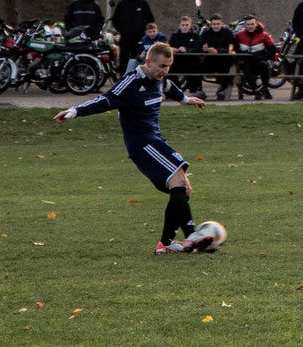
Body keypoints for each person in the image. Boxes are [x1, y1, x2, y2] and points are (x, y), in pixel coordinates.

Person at [55, 41, 215, 253]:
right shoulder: (130, 82)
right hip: (142, 143)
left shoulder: (159, 79)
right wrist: (74, 111)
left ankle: (166, 244)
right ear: (148, 62)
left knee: (183, 189)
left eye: (168, 66)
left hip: (154, 140)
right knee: (178, 176)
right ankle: (193, 237)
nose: (164, 71)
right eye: (161, 66)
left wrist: (186, 99)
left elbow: (169, 87)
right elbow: (106, 100)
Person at [112, 0, 154, 67]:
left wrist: (143, 30)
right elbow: (115, 20)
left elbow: (150, 19)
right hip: (125, 37)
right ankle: (124, 78)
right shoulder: (121, 4)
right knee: (124, 59)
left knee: (138, 58)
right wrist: (122, 30)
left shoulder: (142, 3)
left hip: (138, 37)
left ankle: (137, 78)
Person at [233, 14, 276, 100]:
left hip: (259, 60)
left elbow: (272, 50)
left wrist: (263, 57)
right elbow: (235, 49)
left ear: (256, 24)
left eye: (252, 24)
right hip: (246, 61)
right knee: (246, 69)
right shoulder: (239, 36)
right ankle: (256, 91)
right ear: (245, 25)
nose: (250, 26)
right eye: (248, 24)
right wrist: (241, 54)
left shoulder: (264, 35)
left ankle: (265, 88)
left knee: (264, 66)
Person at [198, 13, 237, 100]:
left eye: (218, 24)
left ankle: (223, 90)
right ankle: (198, 90)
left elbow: (230, 49)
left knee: (229, 70)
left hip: (224, 61)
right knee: (195, 68)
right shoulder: (206, 33)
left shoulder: (228, 33)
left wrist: (217, 51)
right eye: (214, 24)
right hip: (209, 60)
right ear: (211, 24)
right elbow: (199, 45)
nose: (216, 26)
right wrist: (203, 48)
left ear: (222, 23)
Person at [170, 15, 203, 94]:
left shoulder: (195, 36)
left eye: (186, 25)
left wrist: (187, 50)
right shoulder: (174, 36)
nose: (184, 27)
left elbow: (198, 48)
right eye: (183, 25)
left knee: (194, 69)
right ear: (179, 26)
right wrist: (172, 49)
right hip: (177, 61)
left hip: (191, 61)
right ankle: (177, 89)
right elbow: (168, 47)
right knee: (168, 69)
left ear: (190, 26)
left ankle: (193, 90)